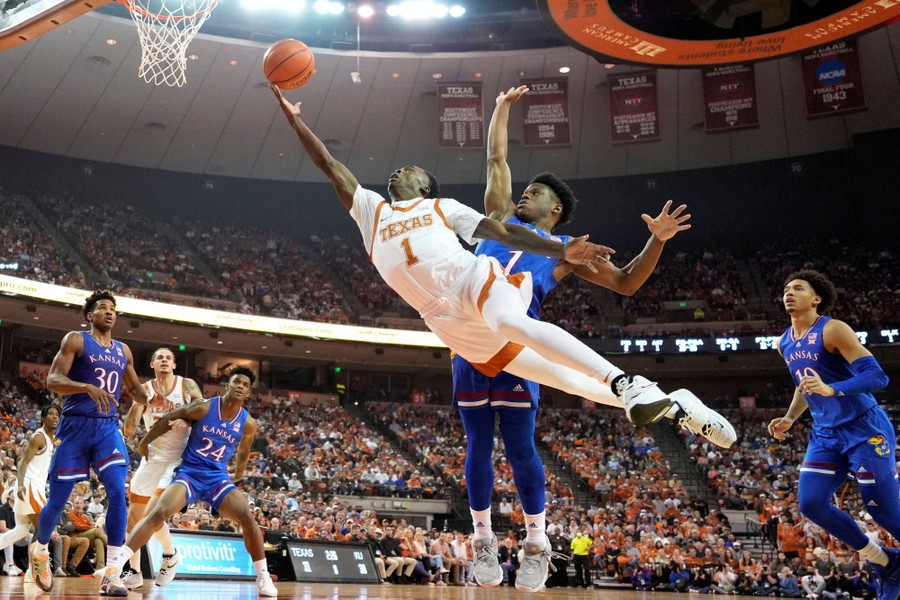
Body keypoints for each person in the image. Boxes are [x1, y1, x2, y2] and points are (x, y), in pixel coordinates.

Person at [459, 85, 736, 593]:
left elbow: (628, 282)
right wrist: (500, 109)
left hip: (522, 341)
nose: (527, 194)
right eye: (528, 189)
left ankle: (536, 543)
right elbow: (496, 158)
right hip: (469, 338)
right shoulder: (495, 222)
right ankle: (482, 538)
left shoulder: (568, 248)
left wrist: (657, 239)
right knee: (477, 442)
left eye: (538, 193)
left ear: (556, 210)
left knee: (519, 445)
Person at [769, 270, 900, 600]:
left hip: (864, 427)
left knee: (882, 511)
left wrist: (832, 389)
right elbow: (805, 385)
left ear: (815, 299)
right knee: (811, 503)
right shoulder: (784, 341)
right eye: (786, 289)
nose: (789, 292)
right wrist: (789, 417)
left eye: (798, 288)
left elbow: (877, 377)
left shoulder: (832, 329)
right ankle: (885, 563)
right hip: (825, 434)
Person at [96, 366, 277, 597]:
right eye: (237, 382)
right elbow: (171, 417)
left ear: (249, 392)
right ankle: (116, 565)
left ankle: (263, 578)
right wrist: (145, 442)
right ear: (227, 385)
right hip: (190, 473)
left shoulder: (248, 423)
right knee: (157, 513)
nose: (240, 386)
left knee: (248, 520)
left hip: (217, 478)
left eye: (245, 384)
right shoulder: (204, 406)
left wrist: (238, 474)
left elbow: (244, 450)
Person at [31, 290, 149, 595]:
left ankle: (112, 573)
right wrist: (85, 387)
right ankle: (41, 549)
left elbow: (136, 390)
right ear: (90, 315)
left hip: (107, 428)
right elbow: (53, 380)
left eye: (113, 309)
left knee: (117, 491)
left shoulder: (124, 351)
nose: (109, 312)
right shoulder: (76, 340)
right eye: (102, 308)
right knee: (57, 500)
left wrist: (151, 397)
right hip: (74, 427)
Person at [120, 347, 203, 589]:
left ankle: (170, 554)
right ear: (153, 364)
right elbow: (130, 431)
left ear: (174, 365)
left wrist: (186, 417)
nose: (165, 360)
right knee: (133, 519)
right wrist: (137, 407)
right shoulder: (145, 390)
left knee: (152, 513)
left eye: (169, 357)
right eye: (160, 357)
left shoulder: (186, 385)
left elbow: (202, 409)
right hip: (152, 458)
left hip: (178, 459)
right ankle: (134, 571)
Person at [0, 405, 60, 580]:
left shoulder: (52, 438)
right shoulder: (38, 437)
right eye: (50, 414)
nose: (54, 417)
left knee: (21, 530)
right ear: (43, 418)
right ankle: (34, 572)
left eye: (57, 414)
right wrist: (19, 486)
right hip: (29, 485)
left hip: (38, 486)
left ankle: (31, 573)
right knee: (43, 527)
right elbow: (23, 462)